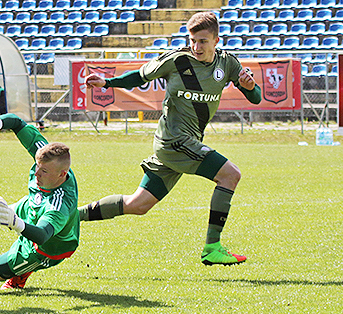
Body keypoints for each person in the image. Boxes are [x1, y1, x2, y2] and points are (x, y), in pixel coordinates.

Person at [78, 12, 261, 266]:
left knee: (138, 204)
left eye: (203, 41)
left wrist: (250, 87)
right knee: (230, 174)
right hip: (174, 141)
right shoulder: (177, 60)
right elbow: (140, 77)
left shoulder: (227, 64)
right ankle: (212, 247)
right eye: (193, 40)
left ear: (217, 40)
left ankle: (71, 217)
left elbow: (255, 98)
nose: (196, 47)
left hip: (183, 144)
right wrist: (107, 82)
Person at [0, 113, 79, 290]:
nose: (36, 174)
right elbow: (18, 123)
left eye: (44, 171)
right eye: (37, 166)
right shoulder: (46, 155)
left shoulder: (57, 206)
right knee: (2, 212)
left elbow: (42, 235)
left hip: (46, 249)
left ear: (62, 174)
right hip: (33, 205)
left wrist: (17, 223)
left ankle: (22, 273)